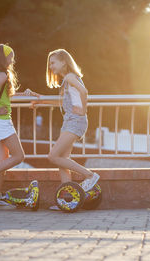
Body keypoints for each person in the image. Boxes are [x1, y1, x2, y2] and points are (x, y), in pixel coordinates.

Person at [32, 49, 99, 192]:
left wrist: (83, 110)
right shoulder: (67, 80)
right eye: (49, 64)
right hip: (69, 121)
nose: (50, 66)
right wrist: (41, 101)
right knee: (63, 159)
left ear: (64, 62)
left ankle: (89, 175)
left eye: (53, 63)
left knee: (53, 156)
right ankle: (67, 196)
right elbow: (62, 102)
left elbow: (84, 92)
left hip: (75, 121)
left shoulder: (69, 77)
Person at [0, 44, 39, 208]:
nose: (12, 60)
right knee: (19, 156)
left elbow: (7, 96)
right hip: (1, 121)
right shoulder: (2, 75)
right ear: (3, 58)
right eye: (10, 57)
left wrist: (25, 95)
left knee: (3, 161)